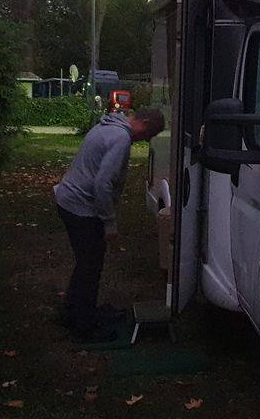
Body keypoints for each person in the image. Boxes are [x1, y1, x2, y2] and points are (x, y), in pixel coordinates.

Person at [54, 107, 164, 343]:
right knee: (90, 268)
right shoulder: (120, 138)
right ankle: (84, 329)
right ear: (144, 123)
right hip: (81, 207)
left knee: (85, 264)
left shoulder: (107, 126)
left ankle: (72, 312)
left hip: (68, 200)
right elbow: (102, 184)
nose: (147, 139)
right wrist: (109, 224)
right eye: (150, 134)